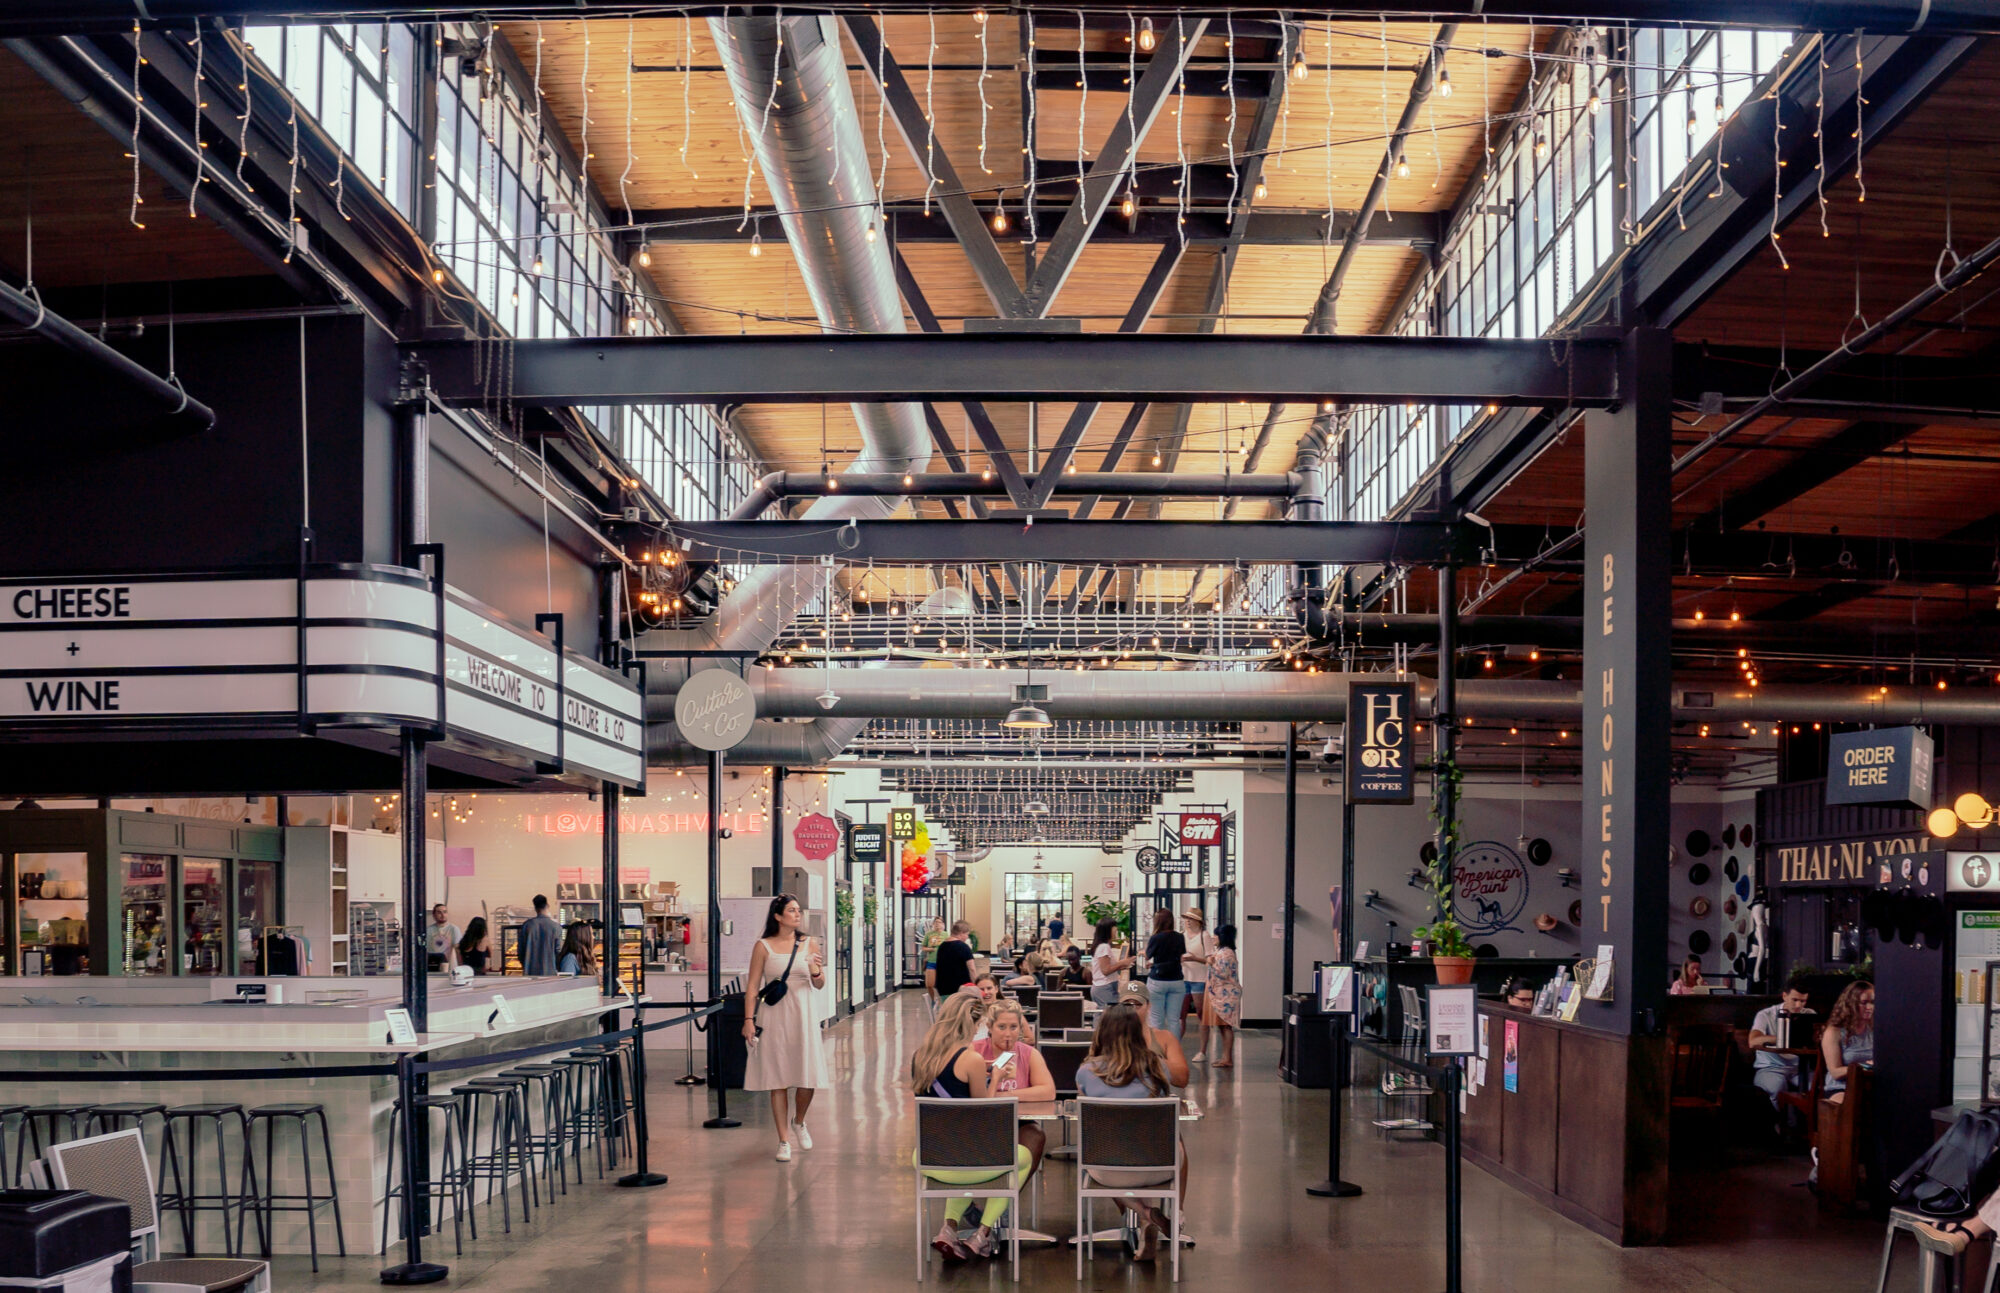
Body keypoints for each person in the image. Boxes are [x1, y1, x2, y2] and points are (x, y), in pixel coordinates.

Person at [909, 995, 1031, 1261]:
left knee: (965, 1157)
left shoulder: (921, 1056)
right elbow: (982, 1115)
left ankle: (948, 1229)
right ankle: (982, 1234)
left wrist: (983, 1070)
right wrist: (995, 1077)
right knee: (1020, 1157)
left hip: (929, 1158)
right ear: (974, 1024)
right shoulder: (971, 1059)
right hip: (969, 1160)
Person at [1077, 1004, 1189, 1261]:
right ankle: (1151, 1218)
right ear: (1139, 1033)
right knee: (1161, 1145)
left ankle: (1146, 1214)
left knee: (1095, 1153)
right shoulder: (1158, 1065)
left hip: (1107, 1168)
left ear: (1102, 1033)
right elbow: (1181, 1079)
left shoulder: (1086, 1071)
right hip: (1161, 1164)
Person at [742, 893, 830, 1161]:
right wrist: (748, 1021)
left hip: (803, 1017)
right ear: (778, 916)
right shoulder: (763, 946)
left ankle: (799, 1121)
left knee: (807, 1076)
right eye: (792, 910)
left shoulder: (808, 944)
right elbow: (752, 988)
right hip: (774, 1017)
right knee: (776, 1078)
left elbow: (819, 983)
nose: (797, 914)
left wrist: (816, 970)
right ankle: (783, 1140)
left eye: (798, 910)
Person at [971, 999, 1057, 1191]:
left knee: (1036, 1136)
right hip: (979, 1120)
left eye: (1013, 1027)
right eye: (1002, 1027)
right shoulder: (975, 1050)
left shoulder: (1029, 1053)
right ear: (989, 1027)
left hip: (1017, 1121)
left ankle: (1009, 1196)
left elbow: (1048, 1090)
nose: (1008, 1034)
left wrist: (1005, 1095)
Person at [1747, 972, 1816, 1109]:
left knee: (1817, 1087)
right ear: (1784, 996)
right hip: (1771, 1067)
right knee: (1777, 1088)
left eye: (1803, 1001)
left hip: (1799, 1068)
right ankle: (1780, 1127)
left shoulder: (1808, 1015)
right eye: (1794, 1000)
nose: (1798, 1005)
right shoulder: (1765, 1015)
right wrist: (1781, 1039)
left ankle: (1806, 1127)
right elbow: (1753, 1041)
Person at [1115, 983, 1191, 1086]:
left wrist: (1149, 1058)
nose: (1132, 1009)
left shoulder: (1165, 1038)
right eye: (1127, 1005)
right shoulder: (1108, 1036)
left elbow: (1182, 1079)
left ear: (1148, 1006)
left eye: (1138, 1004)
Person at [1820, 979, 1875, 1104]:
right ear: (1851, 1004)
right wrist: (1866, 1066)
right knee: (1854, 1106)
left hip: (1870, 1085)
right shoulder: (1834, 1032)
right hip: (1841, 1087)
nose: (1869, 1007)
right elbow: (1835, 1072)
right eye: (1864, 1003)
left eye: (1872, 1002)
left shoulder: (1874, 1029)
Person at [1143, 908, 1190, 1040]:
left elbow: (1147, 956)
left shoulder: (1156, 938)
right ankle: (1174, 1052)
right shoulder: (1180, 937)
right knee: (1174, 1020)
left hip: (1158, 980)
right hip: (1177, 980)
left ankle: (1158, 1053)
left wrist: (1144, 952)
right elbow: (1178, 957)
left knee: (1156, 1019)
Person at [1201, 924, 1241, 1067]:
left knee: (1226, 1026)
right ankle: (1225, 1057)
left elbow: (1223, 973)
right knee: (1222, 1027)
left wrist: (1211, 963)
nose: (1213, 938)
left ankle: (1227, 1058)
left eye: (1216, 935)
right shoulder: (1223, 951)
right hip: (1219, 995)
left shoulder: (1226, 953)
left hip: (1226, 996)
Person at [1179, 908, 1215, 1062]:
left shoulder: (1204, 936)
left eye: (1191, 918)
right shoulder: (1182, 936)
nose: (1187, 921)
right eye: (1186, 918)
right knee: (1181, 1015)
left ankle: (1202, 1051)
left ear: (1198, 921)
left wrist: (1194, 959)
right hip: (1183, 978)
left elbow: (1209, 959)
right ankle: (1175, 1047)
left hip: (1199, 979)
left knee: (1201, 1014)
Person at [1090, 919, 1135, 1008]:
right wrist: (1122, 962)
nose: (1116, 931)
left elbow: (1107, 967)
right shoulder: (1104, 947)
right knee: (1109, 1016)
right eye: (1114, 929)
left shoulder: (1102, 946)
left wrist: (1122, 965)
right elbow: (1106, 970)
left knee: (1103, 1016)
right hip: (1105, 987)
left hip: (1103, 987)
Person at [928, 920, 978, 1001]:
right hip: (961, 990)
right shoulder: (963, 947)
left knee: (950, 1012)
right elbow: (972, 969)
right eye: (967, 934)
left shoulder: (942, 947)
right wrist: (977, 986)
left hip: (943, 989)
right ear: (961, 933)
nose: (967, 937)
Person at [519, 894, 562, 976]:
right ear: (547, 906)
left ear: (535, 908)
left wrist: (525, 964)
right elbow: (558, 952)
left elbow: (521, 951)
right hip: (549, 973)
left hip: (530, 973)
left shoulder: (527, 926)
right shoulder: (556, 927)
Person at [427, 904, 461, 972]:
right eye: (439, 912)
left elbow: (458, 950)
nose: (443, 915)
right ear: (434, 915)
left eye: (445, 912)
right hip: (431, 967)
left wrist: (460, 967)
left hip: (448, 968)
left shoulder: (454, 929)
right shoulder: (428, 930)